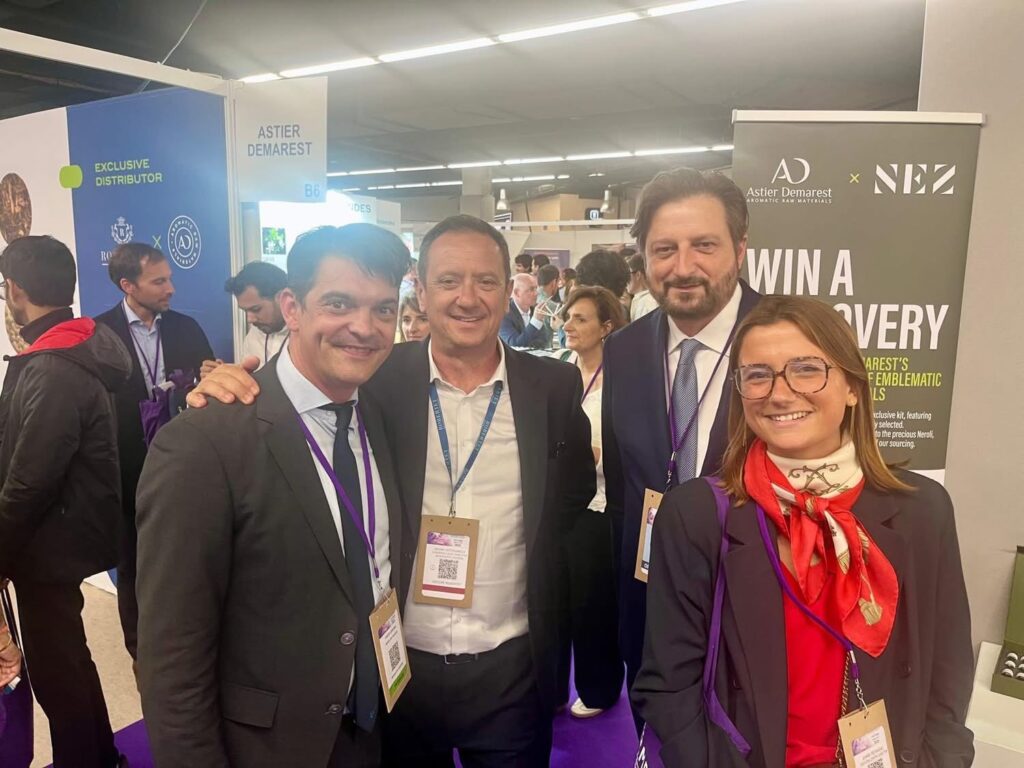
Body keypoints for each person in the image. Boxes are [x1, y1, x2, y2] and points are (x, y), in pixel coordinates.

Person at [190, 214, 596, 767]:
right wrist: (229, 387)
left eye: (485, 281)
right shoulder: (373, 376)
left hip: (511, 667)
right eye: (448, 281)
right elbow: (295, 401)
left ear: (507, 292)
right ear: (421, 293)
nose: (467, 298)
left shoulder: (551, 386)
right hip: (395, 666)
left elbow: (570, 497)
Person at [632, 295, 974, 768]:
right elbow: (669, 683)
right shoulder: (696, 515)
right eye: (758, 375)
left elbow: (948, 666)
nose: (780, 393)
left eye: (807, 369)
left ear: (853, 387)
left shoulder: (922, 510)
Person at [135, 224, 410, 767]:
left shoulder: (381, 413)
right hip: (267, 747)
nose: (364, 327)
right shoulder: (205, 442)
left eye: (383, 309)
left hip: (375, 728)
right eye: (338, 303)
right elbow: (172, 654)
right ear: (291, 307)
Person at [601, 167, 761, 732]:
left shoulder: (790, 338)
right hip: (651, 615)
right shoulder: (623, 350)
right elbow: (623, 494)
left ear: (740, 249)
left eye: (704, 246)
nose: (683, 267)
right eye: (664, 249)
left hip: (759, 613)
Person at [0, 236, 131, 768]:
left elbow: (31, 479)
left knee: (58, 673)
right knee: (69, 660)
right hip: (58, 536)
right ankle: (102, 756)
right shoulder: (67, 350)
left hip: (47, 544)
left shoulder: (54, 365)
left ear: (16, 290)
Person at [95, 242, 215, 660]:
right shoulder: (98, 334)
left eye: (170, 278)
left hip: (183, 465)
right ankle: (141, 655)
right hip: (126, 468)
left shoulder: (186, 328)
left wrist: (210, 377)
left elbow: (208, 386)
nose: (171, 288)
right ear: (127, 285)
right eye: (159, 281)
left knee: (185, 558)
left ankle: (189, 644)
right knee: (131, 565)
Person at [558, 286, 627, 720]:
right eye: (568, 316)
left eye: (580, 318)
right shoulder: (561, 372)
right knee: (558, 600)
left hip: (600, 505)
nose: (569, 324)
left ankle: (599, 688)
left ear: (606, 327)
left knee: (593, 604)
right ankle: (551, 685)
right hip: (561, 503)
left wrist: (591, 455)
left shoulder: (621, 381)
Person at [205, 260, 288, 376]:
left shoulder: (307, 336)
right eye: (245, 311)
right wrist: (227, 375)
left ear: (282, 298)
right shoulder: (253, 336)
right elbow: (248, 378)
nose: (250, 319)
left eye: (256, 309)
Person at [499, 272, 552, 350]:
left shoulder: (534, 309)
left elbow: (544, 341)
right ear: (517, 293)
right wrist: (536, 321)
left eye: (536, 288)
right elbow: (514, 344)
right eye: (531, 289)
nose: (536, 293)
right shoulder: (504, 313)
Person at [627, 252, 658, 322]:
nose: (625, 278)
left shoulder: (647, 303)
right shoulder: (645, 299)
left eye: (628, 273)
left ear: (638, 275)